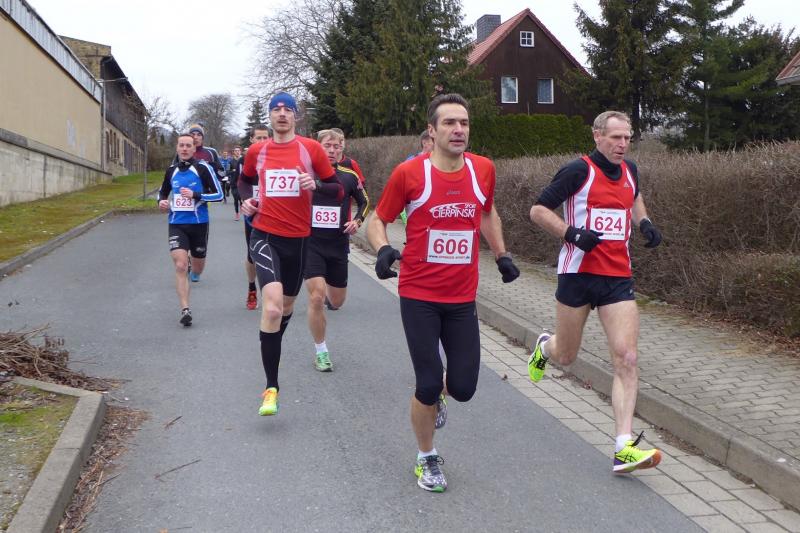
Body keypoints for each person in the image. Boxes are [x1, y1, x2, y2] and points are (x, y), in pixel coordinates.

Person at [367, 93, 520, 492]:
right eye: (449, 123)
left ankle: (439, 398)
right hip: (419, 293)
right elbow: (378, 219)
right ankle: (426, 456)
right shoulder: (410, 173)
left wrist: (501, 254)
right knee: (428, 381)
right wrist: (382, 249)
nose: (458, 130)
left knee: (464, 387)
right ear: (432, 131)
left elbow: (486, 211)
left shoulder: (483, 169)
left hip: (462, 297)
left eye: (464, 123)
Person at [528, 110, 664, 474]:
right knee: (566, 355)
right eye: (615, 138)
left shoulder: (630, 170)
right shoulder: (578, 171)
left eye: (627, 138)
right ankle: (544, 347)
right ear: (597, 136)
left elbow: (634, 197)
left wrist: (645, 222)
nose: (622, 145)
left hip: (617, 278)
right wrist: (571, 233)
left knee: (627, 357)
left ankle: (624, 446)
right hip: (577, 274)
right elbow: (538, 210)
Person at [239, 93, 342, 416]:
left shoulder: (311, 149)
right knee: (271, 308)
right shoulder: (257, 151)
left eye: (288, 110)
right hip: (264, 235)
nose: (282, 114)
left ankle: (271, 340)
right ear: (270, 117)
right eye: (276, 109)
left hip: (298, 241)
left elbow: (337, 189)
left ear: (296, 116)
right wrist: (246, 200)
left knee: (285, 308)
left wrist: (315, 185)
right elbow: (244, 181)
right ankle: (271, 388)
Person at [303, 129, 369, 372]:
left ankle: (321, 307)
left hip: (338, 244)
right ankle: (321, 351)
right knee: (317, 296)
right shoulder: (307, 174)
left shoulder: (349, 176)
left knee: (337, 300)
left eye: (336, 146)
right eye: (327, 146)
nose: (331, 151)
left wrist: (357, 221)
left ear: (342, 148)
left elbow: (364, 202)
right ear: (317, 147)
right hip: (310, 243)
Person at [157, 133, 223, 326]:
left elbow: (219, 194)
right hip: (177, 223)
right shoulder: (171, 170)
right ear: (177, 148)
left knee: (197, 267)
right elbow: (163, 192)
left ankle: (194, 270)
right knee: (180, 265)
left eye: (188, 145)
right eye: (181, 145)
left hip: (199, 224)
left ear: (194, 149)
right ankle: (185, 309)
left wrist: (196, 195)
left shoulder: (203, 168)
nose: (184, 149)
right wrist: (161, 202)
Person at [237, 127, 271, 310]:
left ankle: (273, 292)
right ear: (251, 140)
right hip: (253, 213)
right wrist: (246, 200)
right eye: (259, 138)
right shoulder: (246, 159)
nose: (262, 141)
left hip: (274, 212)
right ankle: (252, 287)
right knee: (252, 255)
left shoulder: (276, 156)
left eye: (265, 138)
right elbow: (240, 182)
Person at [400, 130, 435, 224]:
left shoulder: (439, 161)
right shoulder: (411, 161)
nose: (436, 144)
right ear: (424, 143)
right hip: (414, 206)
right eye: (433, 141)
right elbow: (402, 185)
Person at [229, 146, 243, 221]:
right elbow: (227, 171)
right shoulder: (231, 161)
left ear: (240, 152)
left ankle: (241, 205)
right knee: (235, 198)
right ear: (234, 152)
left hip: (242, 183)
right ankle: (237, 213)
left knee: (241, 198)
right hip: (233, 183)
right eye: (236, 151)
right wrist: (233, 171)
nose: (237, 152)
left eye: (238, 150)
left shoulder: (243, 161)